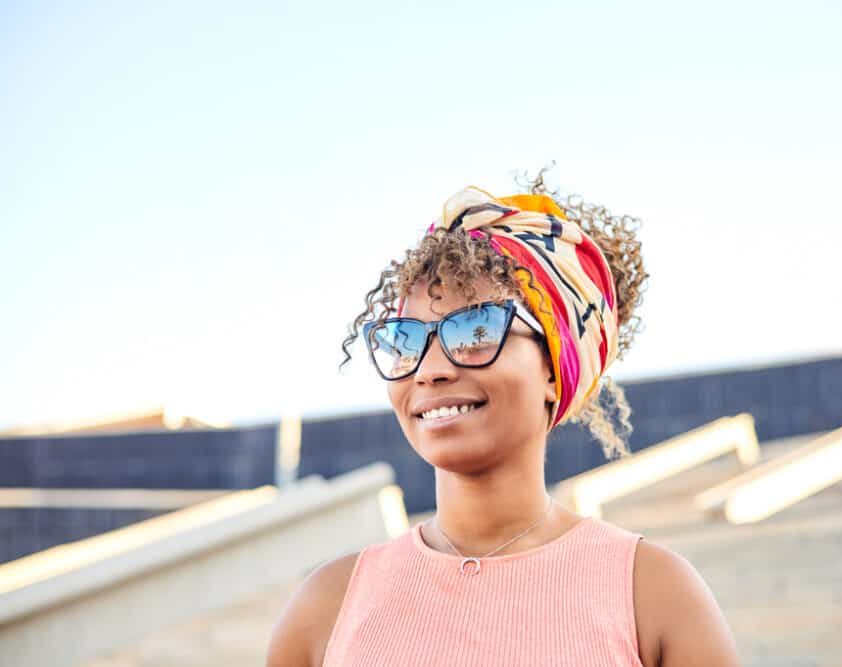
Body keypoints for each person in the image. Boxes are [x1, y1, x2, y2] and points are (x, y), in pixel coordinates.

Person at [266, 172, 740, 666]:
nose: (431, 370)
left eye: (476, 330)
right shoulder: (326, 610)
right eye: (405, 339)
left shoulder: (655, 597)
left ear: (553, 369)